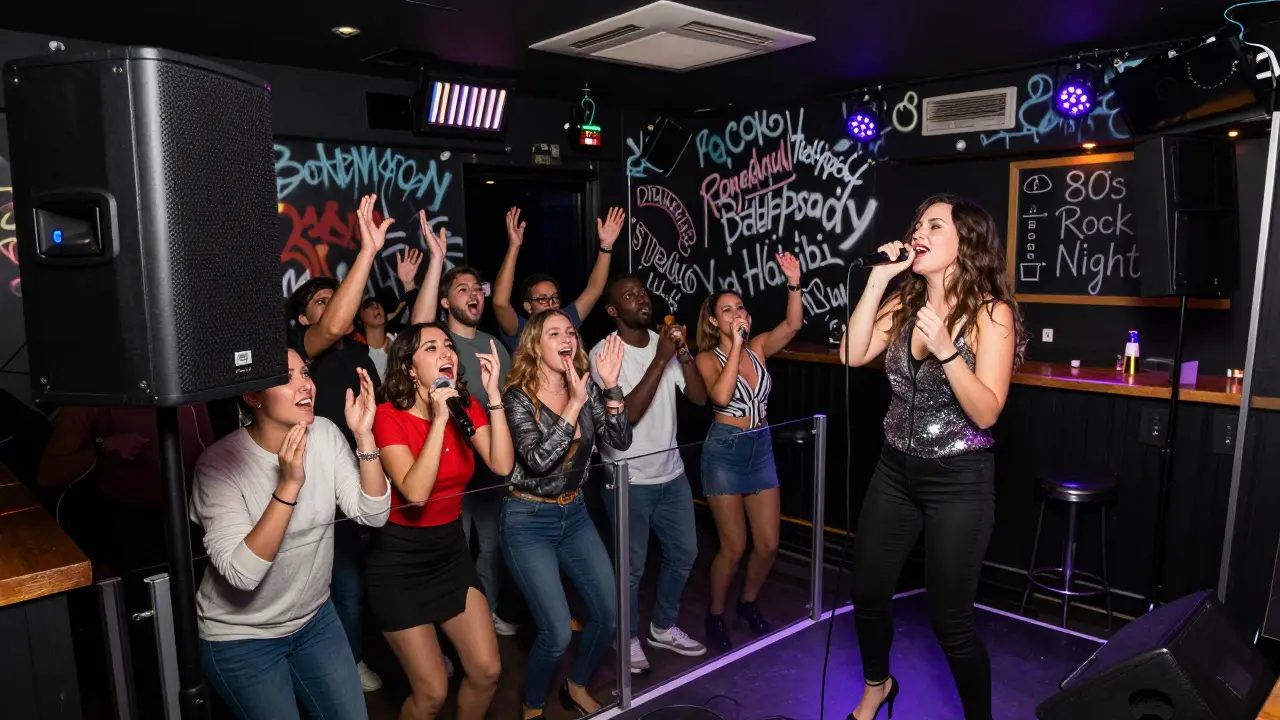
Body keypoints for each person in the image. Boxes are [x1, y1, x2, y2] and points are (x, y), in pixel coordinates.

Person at [838, 194, 1025, 720]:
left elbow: (986, 412)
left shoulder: (992, 313)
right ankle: (878, 685)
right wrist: (878, 280)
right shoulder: (903, 301)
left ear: (965, 243)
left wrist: (946, 349)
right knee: (869, 592)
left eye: (934, 225)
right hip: (895, 470)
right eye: (917, 222)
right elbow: (853, 355)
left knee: (951, 622)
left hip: (959, 479)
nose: (919, 231)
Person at [189, 351, 391, 720]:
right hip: (242, 638)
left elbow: (373, 515)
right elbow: (243, 574)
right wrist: (289, 485)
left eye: (305, 372)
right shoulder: (218, 465)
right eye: (286, 376)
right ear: (253, 397)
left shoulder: (326, 434)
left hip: (314, 621)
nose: (306, 384)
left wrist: (364, 435)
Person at [368, 322, 513, 720]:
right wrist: (437, 420)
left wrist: (494, 395)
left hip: (449, 553)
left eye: (447, 345)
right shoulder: (387, 417)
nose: (446, 352)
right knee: (431, 692)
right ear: (410, 369)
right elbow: (415, 492)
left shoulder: (466, 406)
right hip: (399, 562)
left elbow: (501, 463)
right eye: (430, 348)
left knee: (487, 670)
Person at [501, 311, 631, 718]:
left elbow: (620, 439)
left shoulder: (587, 387)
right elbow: (538, 460)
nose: (566, 338)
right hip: (527, 519)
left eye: (570, 332)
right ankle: (532, 706)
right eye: (554, 332)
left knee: (609, 615)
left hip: (573, 514)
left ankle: (576, 685)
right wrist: (574, 405)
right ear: (535, 345)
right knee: (556, 632)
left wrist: (610, 387)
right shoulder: (517, 397)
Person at [285, 192, 389, 691]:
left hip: (361, 480)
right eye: (321, 301)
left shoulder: (362, 354)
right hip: (315, 486)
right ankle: (341, 667)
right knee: (335, 588)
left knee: (360, 586)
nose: (335, 306)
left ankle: (358, 654)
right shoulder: (302, 349)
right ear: (303, 319)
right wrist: (367, 252)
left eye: (339, 295)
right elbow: (329, 325)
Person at [590, 275, 709, 673]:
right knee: (631, 568)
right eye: (628, 295)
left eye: (642, 291)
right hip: (628, 478)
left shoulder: (668, 348)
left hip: (670, 473)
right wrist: (661, 357)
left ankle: (663, 625)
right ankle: (625, 636)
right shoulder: (605, 353)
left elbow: (698, 396)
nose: (640, 298)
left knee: (684, 552)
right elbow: (628, 417)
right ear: (612, 310)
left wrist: (683, 353)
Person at [409, 212, 519, 635]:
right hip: (447, 466)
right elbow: (418, 327)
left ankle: (483, 617)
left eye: (477, 288)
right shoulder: (438, 342)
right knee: (449, 551)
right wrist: (436, 261)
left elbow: (506, 405)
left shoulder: (495, 345)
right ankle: (441, 631)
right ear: (444, 301)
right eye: (462, 289)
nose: (473, 294)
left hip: (489, 467)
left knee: (490, 547)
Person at [694, 252, 804, 651]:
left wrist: (793, 282)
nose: (735, 313)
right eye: (726, 310)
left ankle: (748, 603)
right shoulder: (708, 358)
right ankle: (716, 613)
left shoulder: (758, 346)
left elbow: (793, 324)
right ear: (713, 321)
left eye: (739, 307)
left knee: (769, 543)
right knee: (734, 546)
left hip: (760, 447)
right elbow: (721, 397)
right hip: (724, 451)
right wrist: (736, 345)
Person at [38, 404, 213, 575]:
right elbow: (48, 472)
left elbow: (210, 451)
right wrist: (103, 447)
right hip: (131, 525)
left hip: (196, 516)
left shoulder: (182, 383)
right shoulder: (91, 395)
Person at [491, 206, 625, 353]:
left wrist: (606, 246)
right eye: (543, 299)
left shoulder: (566, 320)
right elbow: (500, 302)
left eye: (555, 298)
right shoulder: (521, 330)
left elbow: (594, 289)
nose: (551, 304)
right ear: (528, 306)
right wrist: (514, 246)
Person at [357, 296, 396, 383]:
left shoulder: (399, 341)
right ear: (359, 319)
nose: (376, 307)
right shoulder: (362, 358)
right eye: (369, 305)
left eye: (378, 304)